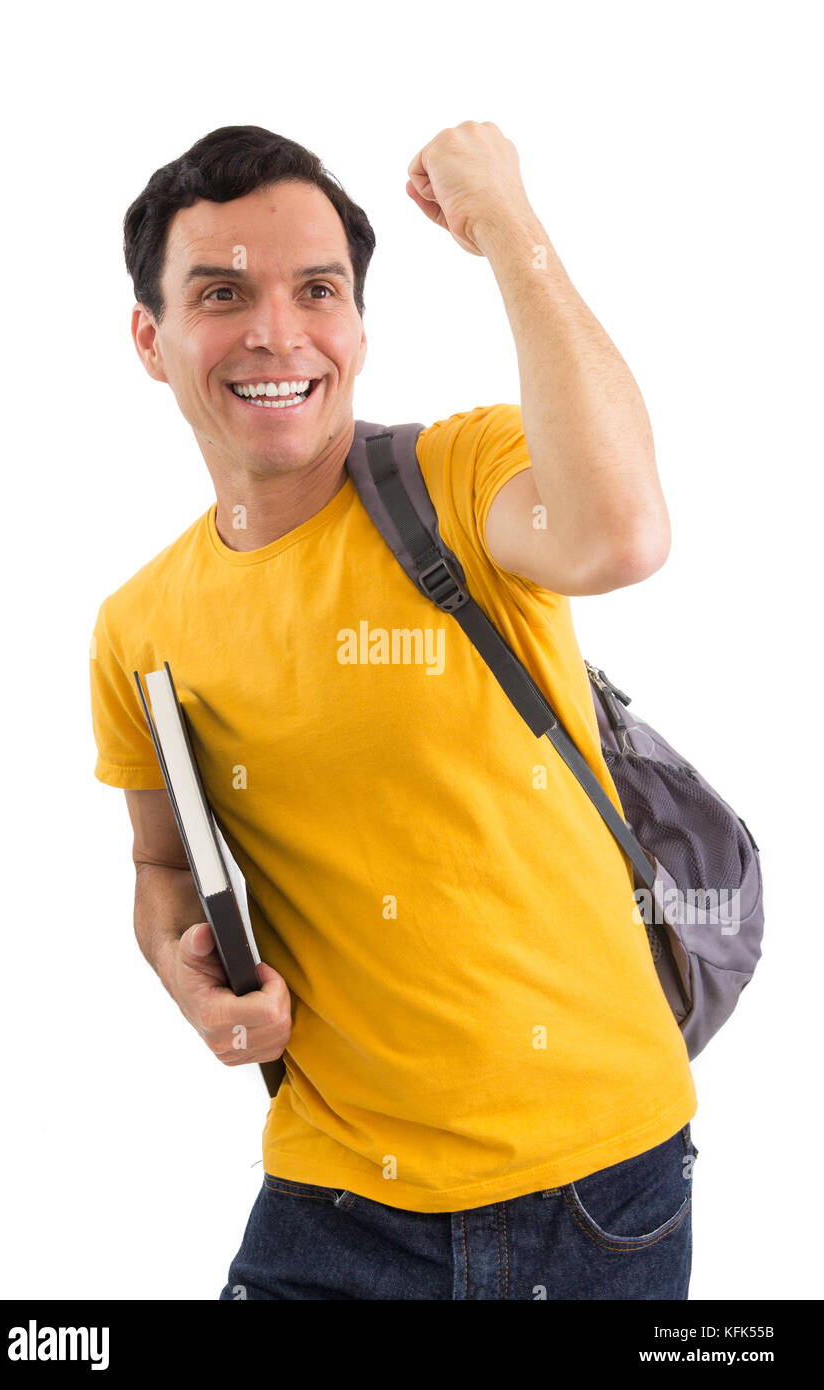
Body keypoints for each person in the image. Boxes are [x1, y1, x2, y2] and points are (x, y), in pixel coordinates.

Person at [89, 121, 698, 1301]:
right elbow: (161, 865)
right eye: (221, 293)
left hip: (598, 1188)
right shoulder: (138, 625)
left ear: (357, 330)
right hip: (329, 1204)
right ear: (151, 341)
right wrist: (191, 976)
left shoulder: (460, 479)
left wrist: (505, 221)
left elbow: (620, 531)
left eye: (316, 290)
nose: (275, 331)